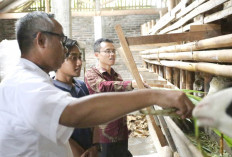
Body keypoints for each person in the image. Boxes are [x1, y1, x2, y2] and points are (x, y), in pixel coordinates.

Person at [0, 11, 194, 157]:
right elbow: (74, 113)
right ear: (41, 40)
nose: (64, 48)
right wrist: (155, 95)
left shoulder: (33, 80)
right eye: (61, 39)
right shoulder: (25, 83)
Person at [84, 38, 140, 157]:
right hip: (103, 135)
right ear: (97, 55)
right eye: (107, 51)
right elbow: (103, 86)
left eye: (113, 51)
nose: (112, 54)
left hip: (121, 132)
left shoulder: (117, 76)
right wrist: (131, 84)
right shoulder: (91, 74)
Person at [53, 38, 98, 157]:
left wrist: (95, 146)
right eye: (73, 58)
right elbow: (54, 130)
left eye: (80, 57)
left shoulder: (81, 85)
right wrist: (76, 151)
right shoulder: (51, 91)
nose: (79, 62)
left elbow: (93, 118)